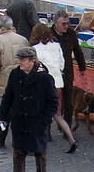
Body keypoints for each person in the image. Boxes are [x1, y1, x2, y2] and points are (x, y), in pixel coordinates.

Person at [0, 45, 58, 172]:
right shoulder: (15, 74)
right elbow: (8, 96)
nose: (20, 62)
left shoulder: (44, 77)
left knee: (40, 153)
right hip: (19, 120)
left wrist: (45, 119)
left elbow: (53, 101)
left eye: (23, 60)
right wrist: (3, 116)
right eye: (19, 59)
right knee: (18, 153)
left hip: (37, 120)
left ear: (32, 61)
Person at [30, 25, 77, 153]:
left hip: (42, 85)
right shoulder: (56, 45)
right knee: (57, 115)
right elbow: (62, 64)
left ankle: (37, 142)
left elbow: (35, 68)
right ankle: (72, 139)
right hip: (57, 83)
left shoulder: (35, 49)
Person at [0, 18, 27, 144]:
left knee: (5, 110)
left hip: (4, 80)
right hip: (23, 80)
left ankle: (2, 137)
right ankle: (20, 136)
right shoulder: (23, 40)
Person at [50, 9, 87, 123]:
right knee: (51, 101)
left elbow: (77, 50)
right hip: (52, 73)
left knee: (68, 102)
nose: (66, 26)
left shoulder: (71, 33)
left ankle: (67, 127)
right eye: (63, 24)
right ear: (56, 24)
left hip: (67, 72)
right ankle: (47, 130)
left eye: (67, 23)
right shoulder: (48, 34)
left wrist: (82, 67)